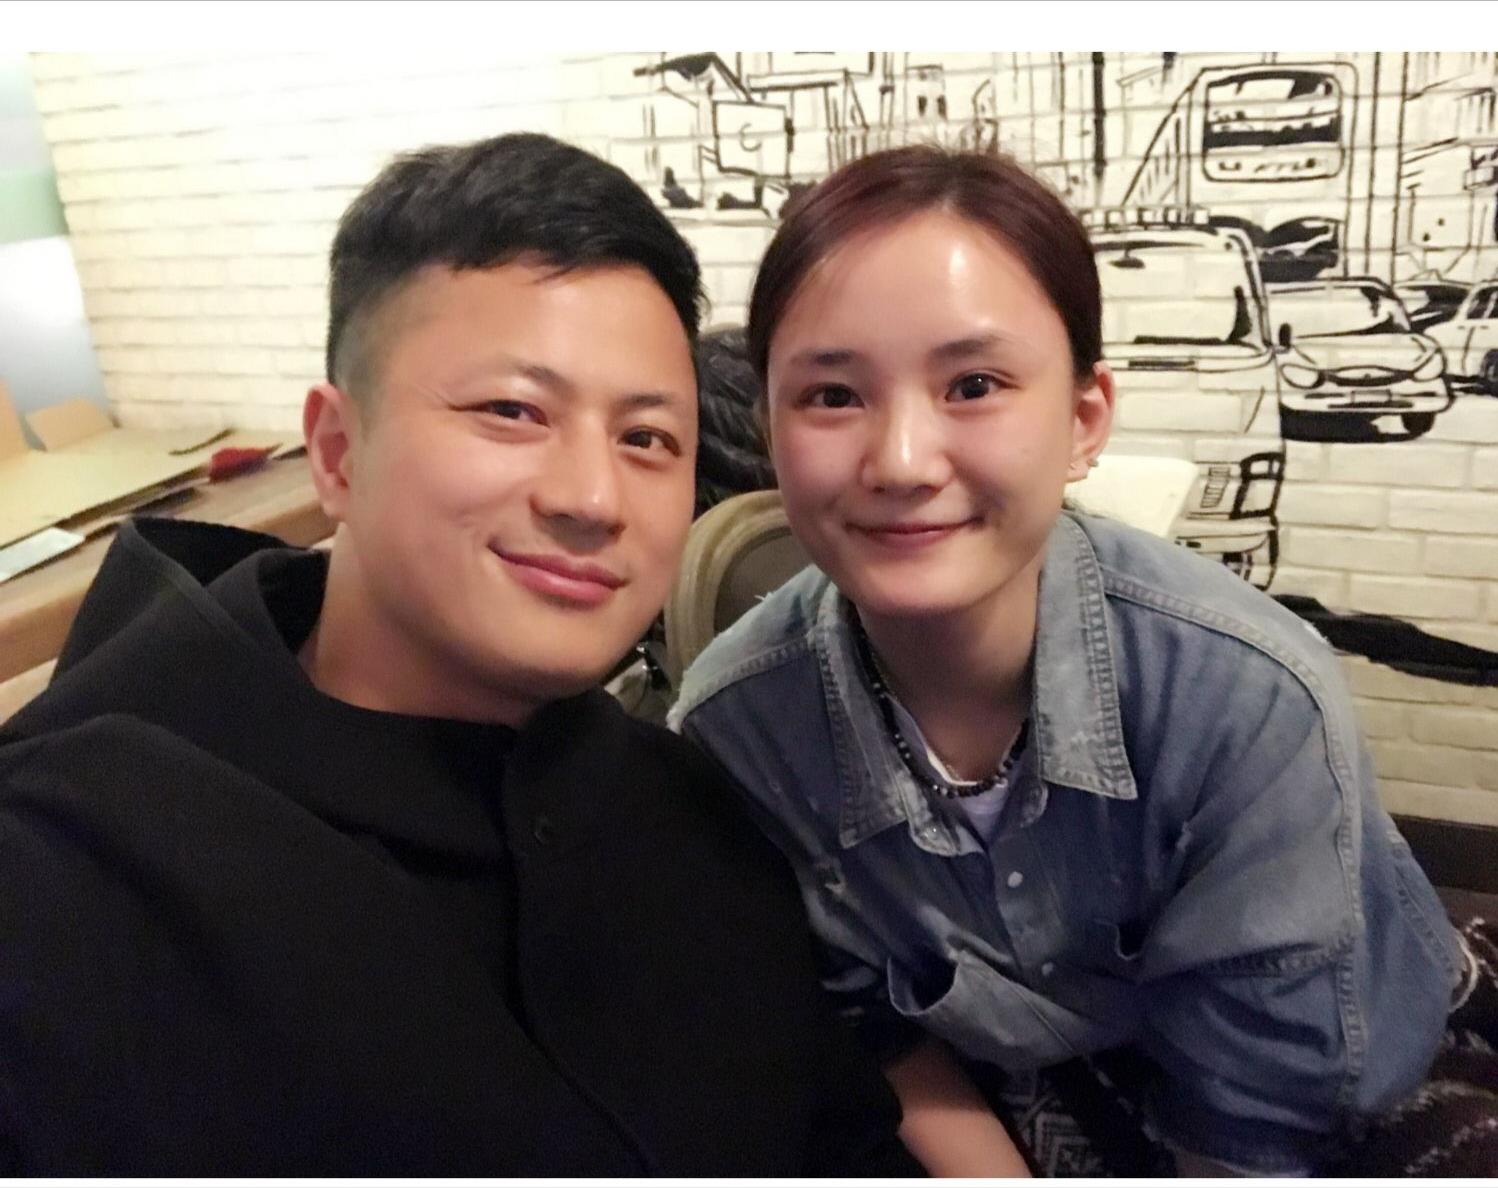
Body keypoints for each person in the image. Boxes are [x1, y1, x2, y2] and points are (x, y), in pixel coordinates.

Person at [0, 133, 921, 1177]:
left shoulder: (693, 801)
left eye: (646, 439)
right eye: (511, 412)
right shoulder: (71, 874)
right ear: (338, 453)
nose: (592, 497)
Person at [671, 144, 1471, 1176]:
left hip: (1310, 1074)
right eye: (831, 395)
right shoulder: (736, 726)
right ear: (771, 430)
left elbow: (1258, 1120)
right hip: (1006, 1068)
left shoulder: (1244, 696)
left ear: (1083, 420)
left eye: (973, 384)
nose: (901, 462)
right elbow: (856, 1015)